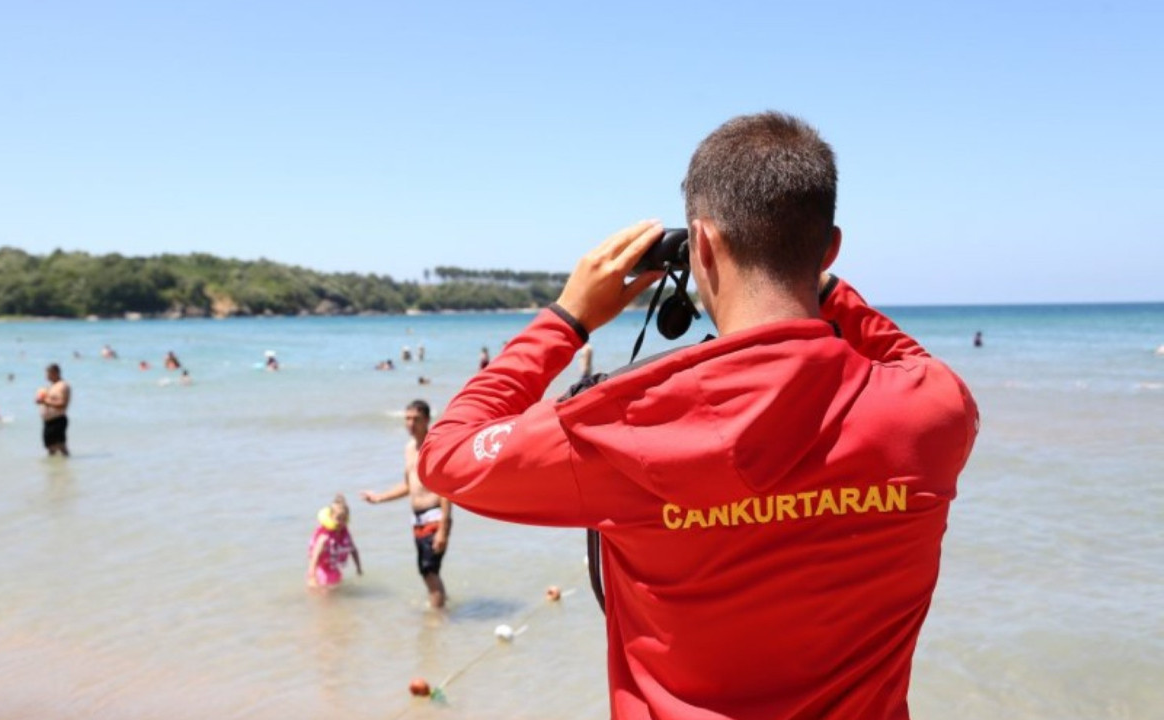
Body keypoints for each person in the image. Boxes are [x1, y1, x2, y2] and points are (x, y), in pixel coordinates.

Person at [416, 113, 979, 719]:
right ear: (830, 249)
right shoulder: (934, 412)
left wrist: (565, 320)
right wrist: (832, 290)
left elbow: (447, 454)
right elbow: (906, 357)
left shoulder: (623, 428)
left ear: (700, 244)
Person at [361, 400, 452, 609]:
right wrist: (379, 498)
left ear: (427, 420)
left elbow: (445, 489)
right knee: (425, 571)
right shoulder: (409, 448)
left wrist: (443, 529)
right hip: (418, 518)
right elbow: (408, 485)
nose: (410, 424)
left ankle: (437, 620)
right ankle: (440, 609)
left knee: (429, 571)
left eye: (416, 419)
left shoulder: (434, 447)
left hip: (435, 516)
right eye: (407, 419)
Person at [307, 494, 362, 589]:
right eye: (338, 518)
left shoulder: (345, 533)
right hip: (321, 572)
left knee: (336, 595)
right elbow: (315, 556)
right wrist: (312, 576)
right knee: (324, 597)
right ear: (331, 517)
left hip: (334, 570)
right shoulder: (325, 535)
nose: (341, 522)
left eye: (344, 519)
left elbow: (353, 550)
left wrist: (358, 567)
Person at [36, 363, 71, 457]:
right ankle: (53, 469)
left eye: (48, 374)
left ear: (55, 373)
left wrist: (45, 402)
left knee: (60, 445)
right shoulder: (50, 386)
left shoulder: (63, 386)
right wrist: (40, 400)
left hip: (58, 419)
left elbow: (62, 404)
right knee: (50, 447)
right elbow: (46, 400)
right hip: (48, 421)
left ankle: (66, 464)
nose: (46, 376)